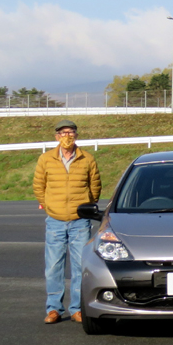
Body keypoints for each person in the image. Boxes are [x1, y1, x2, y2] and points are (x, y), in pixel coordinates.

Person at [33, 119, 101, 324]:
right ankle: (54, 308)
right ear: (57, 136)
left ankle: (77, 309)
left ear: (76, 135)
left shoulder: (87, 158)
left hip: (80, 221)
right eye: (63, 133)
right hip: (55, 220)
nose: (67, 136)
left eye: (70, 132)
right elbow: (39, 186)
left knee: (80, 266)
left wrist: (85, 207)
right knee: (53, 266)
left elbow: (95, 186)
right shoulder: (45, 159)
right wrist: (50, 206)